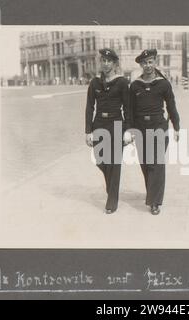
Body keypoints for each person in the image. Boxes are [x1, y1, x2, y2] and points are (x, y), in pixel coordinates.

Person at [129, 49, 180, 215]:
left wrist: (177, 127)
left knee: (156, 164)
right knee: (145, 164)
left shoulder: (163, 84)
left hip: (158, 127)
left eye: (150, 62)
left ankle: (155, 202)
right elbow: (129, 110)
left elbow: (171, 107)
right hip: (140, 129)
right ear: (141, 65)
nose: (148, 65)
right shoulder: (135, 85)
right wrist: (129, 130)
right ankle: (152, 193)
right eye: (144, 63)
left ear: (155, 62)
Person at [85, 48, 132, 214]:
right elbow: (90, 107)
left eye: (108, 61)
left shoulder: (122, 83)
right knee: (100, 159)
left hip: (116, 124)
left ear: (114, 63)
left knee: (114, 163)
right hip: (99, 124)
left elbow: (128, 108)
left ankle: (112, 200)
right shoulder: (95, 83)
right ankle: (112, 189)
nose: (105, 64)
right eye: (103, 60)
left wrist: (128, 131)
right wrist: (88, 131)